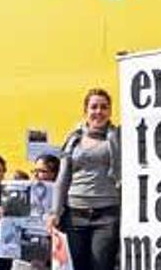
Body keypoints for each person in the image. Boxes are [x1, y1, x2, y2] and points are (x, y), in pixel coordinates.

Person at [48, 89, 120, 270]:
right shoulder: (73, 140)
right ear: (85, 111)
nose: (99, 112)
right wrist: (55, 212)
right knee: (76, 266)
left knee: (101, 265)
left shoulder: (119, 138)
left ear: (110, 111)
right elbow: (63, 178)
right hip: (74, 215)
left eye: (104, 107)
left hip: (107, 214)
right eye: (94, 107)